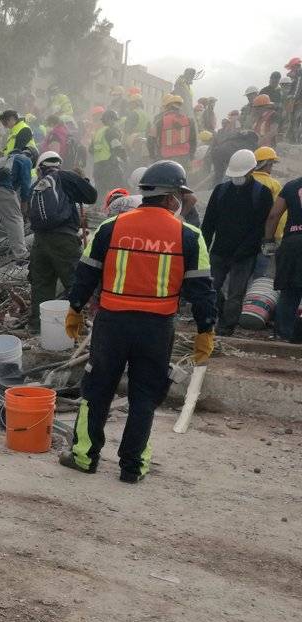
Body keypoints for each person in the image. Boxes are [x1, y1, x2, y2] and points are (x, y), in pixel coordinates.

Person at [61, 160, 217, 483]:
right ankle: (132, 467)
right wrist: (206, 331)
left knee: (96, 390)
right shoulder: (189, 236)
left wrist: (75, 309)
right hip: (156, 329)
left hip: (112, 324)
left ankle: (83, 456)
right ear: (172, 196)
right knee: (144, 396)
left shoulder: (111, 227)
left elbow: (85, 273)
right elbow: (202, 291)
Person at [202, 149, 273, 335]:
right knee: (211, 288)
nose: (237, 178)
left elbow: (259, 228)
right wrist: (203, 247)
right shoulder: (221, 191)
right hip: (219, 251)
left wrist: (244, 251)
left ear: (251, 171)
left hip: (245, 254)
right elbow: (208, 223)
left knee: (236, 293)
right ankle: (219, 314)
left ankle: (226, 327)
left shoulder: (262, 193)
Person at [26, 151, 97, 333]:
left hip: (40, 241)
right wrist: (83, 181)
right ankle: (76, 327)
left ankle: (37, 325)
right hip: (64, 239)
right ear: (58, 164)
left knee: (41, 283)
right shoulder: (64, 176)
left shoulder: (36, 185)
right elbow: (91, 196)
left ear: (40, 167)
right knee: (74, 282)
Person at [264, 172, 302, 342]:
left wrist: (268, 240)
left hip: (292, 244)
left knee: (289, 291)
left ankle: (284, 334)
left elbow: (274, 215)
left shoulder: (291, 186)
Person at [251, 147, 286, 251]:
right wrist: (277, 235)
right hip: (269, 234)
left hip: (248, 233)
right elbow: (277, 213)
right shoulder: (273, 184)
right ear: (267, 164)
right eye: (271, 164)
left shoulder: (248, 180)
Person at [149, 94, 196, 168]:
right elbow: (193, 141)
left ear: (167, 107)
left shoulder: (160, 122)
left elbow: (150, 140)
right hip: (184, 158)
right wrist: (191, 157)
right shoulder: (190, 121)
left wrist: (153, 157)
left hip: (165, 158)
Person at [91, 109, 126, 200]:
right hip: (110, 166)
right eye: (114, 120)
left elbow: (91, 149)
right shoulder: (111, 131)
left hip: (98, 167)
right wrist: (125, 158)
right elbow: (117, 147)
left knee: (100, 193)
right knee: (116, 192)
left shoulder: (98, 132)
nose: (115, 123)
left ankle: (97, 210)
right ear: (110, 119)